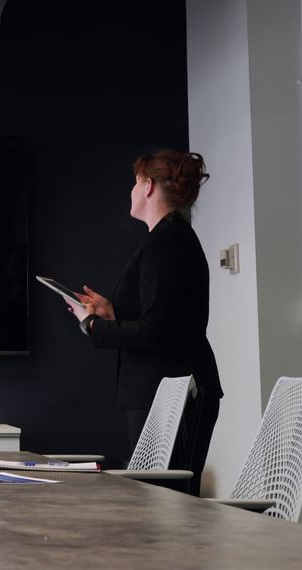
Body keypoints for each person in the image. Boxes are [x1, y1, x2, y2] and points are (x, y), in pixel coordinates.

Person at [64, 150, 224, 496]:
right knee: (159, 506)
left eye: (136, 182)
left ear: (148, 186)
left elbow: (158, 332)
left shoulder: (166, 244)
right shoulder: (167, 239)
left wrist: (92, 325)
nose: (132, 190)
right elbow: (162, 319)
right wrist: (112, 312)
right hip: (161, 391)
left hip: (172, 395)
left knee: (166, 507)